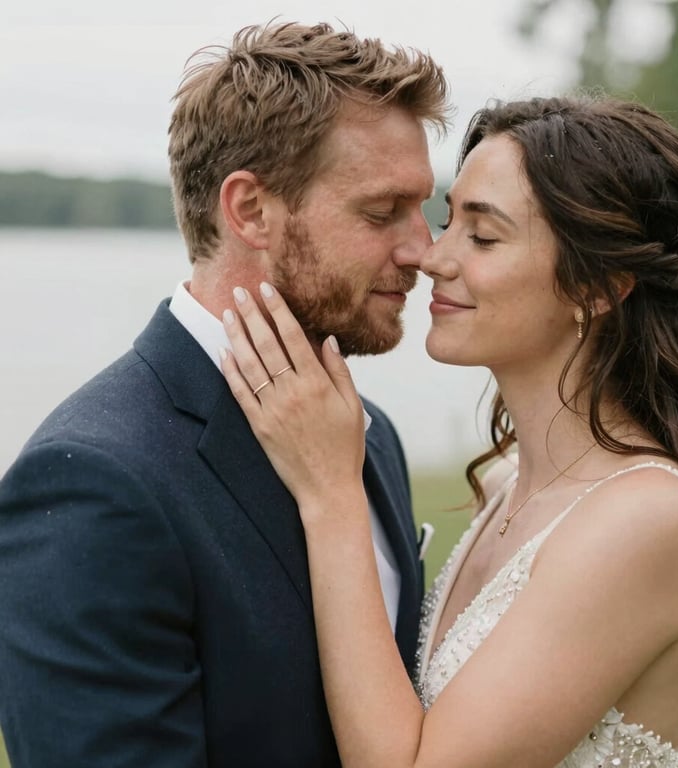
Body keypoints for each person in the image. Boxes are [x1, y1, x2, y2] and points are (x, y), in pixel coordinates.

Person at [220, 95, 678, 767]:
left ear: (600, 287)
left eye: (482, 237)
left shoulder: (648, 518)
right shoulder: (508, 485)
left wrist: (331, 495)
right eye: (449, 221)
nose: (431, 257)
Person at [0, 21, 448, 767]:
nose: (422, 250)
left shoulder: (372, 435)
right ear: (249, 211)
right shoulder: (94, 483)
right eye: (380, 213)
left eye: (422, 208)